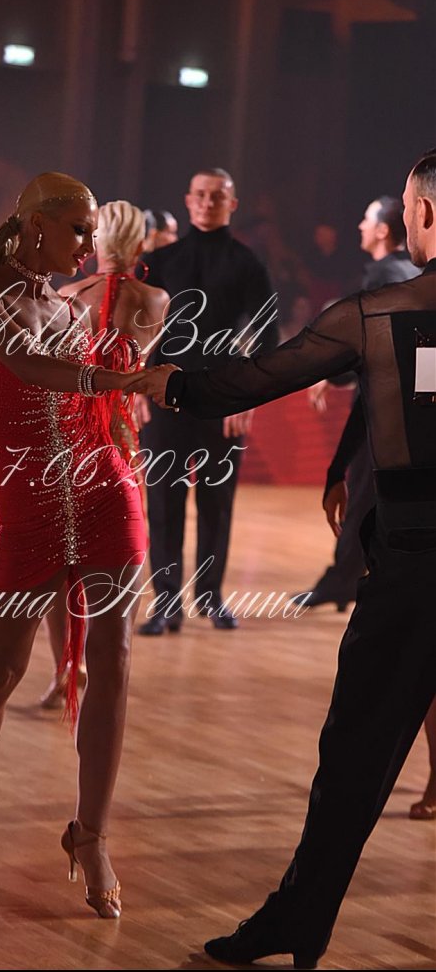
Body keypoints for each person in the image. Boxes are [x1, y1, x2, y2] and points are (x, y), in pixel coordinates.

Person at [130, 149, 436, 967]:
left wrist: (172, 384)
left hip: (413, 568)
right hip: (409, 561)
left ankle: (299, 922)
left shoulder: (379, 312)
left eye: (407, 207)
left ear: (425, 214)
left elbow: (262, 374)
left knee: (354, 759)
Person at [0, 173, 148, 921]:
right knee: (4, 663)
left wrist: (136, 377)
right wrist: (114, 373)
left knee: (113, 657)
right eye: (78, 229)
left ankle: (92, 835)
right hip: (31, 503)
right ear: (35, 225)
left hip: (105, 488)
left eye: (92, 233)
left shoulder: (73, 308)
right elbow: (21, 363)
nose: (87, 246)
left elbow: (100, 393)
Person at [35, 199, 168, 709]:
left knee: (61, 562)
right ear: (139, 244)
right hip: (120, 440)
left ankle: (66, 668)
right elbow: (138, 369)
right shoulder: (156, 300)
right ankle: (107, 660)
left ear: (94, 242)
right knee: (116, 561)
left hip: (70, 439)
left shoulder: (66, 296)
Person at [138, 167, 277, 634]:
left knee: (217, 503)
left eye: (217, 196)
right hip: (164, 398)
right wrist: (136, 388)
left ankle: (211, 596)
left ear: (232, 204)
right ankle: (165, 604)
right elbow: (135, 331)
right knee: (164, 502)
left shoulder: (248, 264)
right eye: (200, 194)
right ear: (188, 199)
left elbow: (266, 339)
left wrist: (248, 400)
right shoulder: (159, 261)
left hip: (224, 401)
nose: (207, 202)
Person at [301, 195, 421, 611]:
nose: (360, 227)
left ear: (383, 230)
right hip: (409, 413)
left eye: (367, 220)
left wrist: (329, 374)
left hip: (381, 411)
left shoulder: (384, 277)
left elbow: (364, 347)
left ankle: (343, 582)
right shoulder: (413, 274)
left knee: (363, 496)